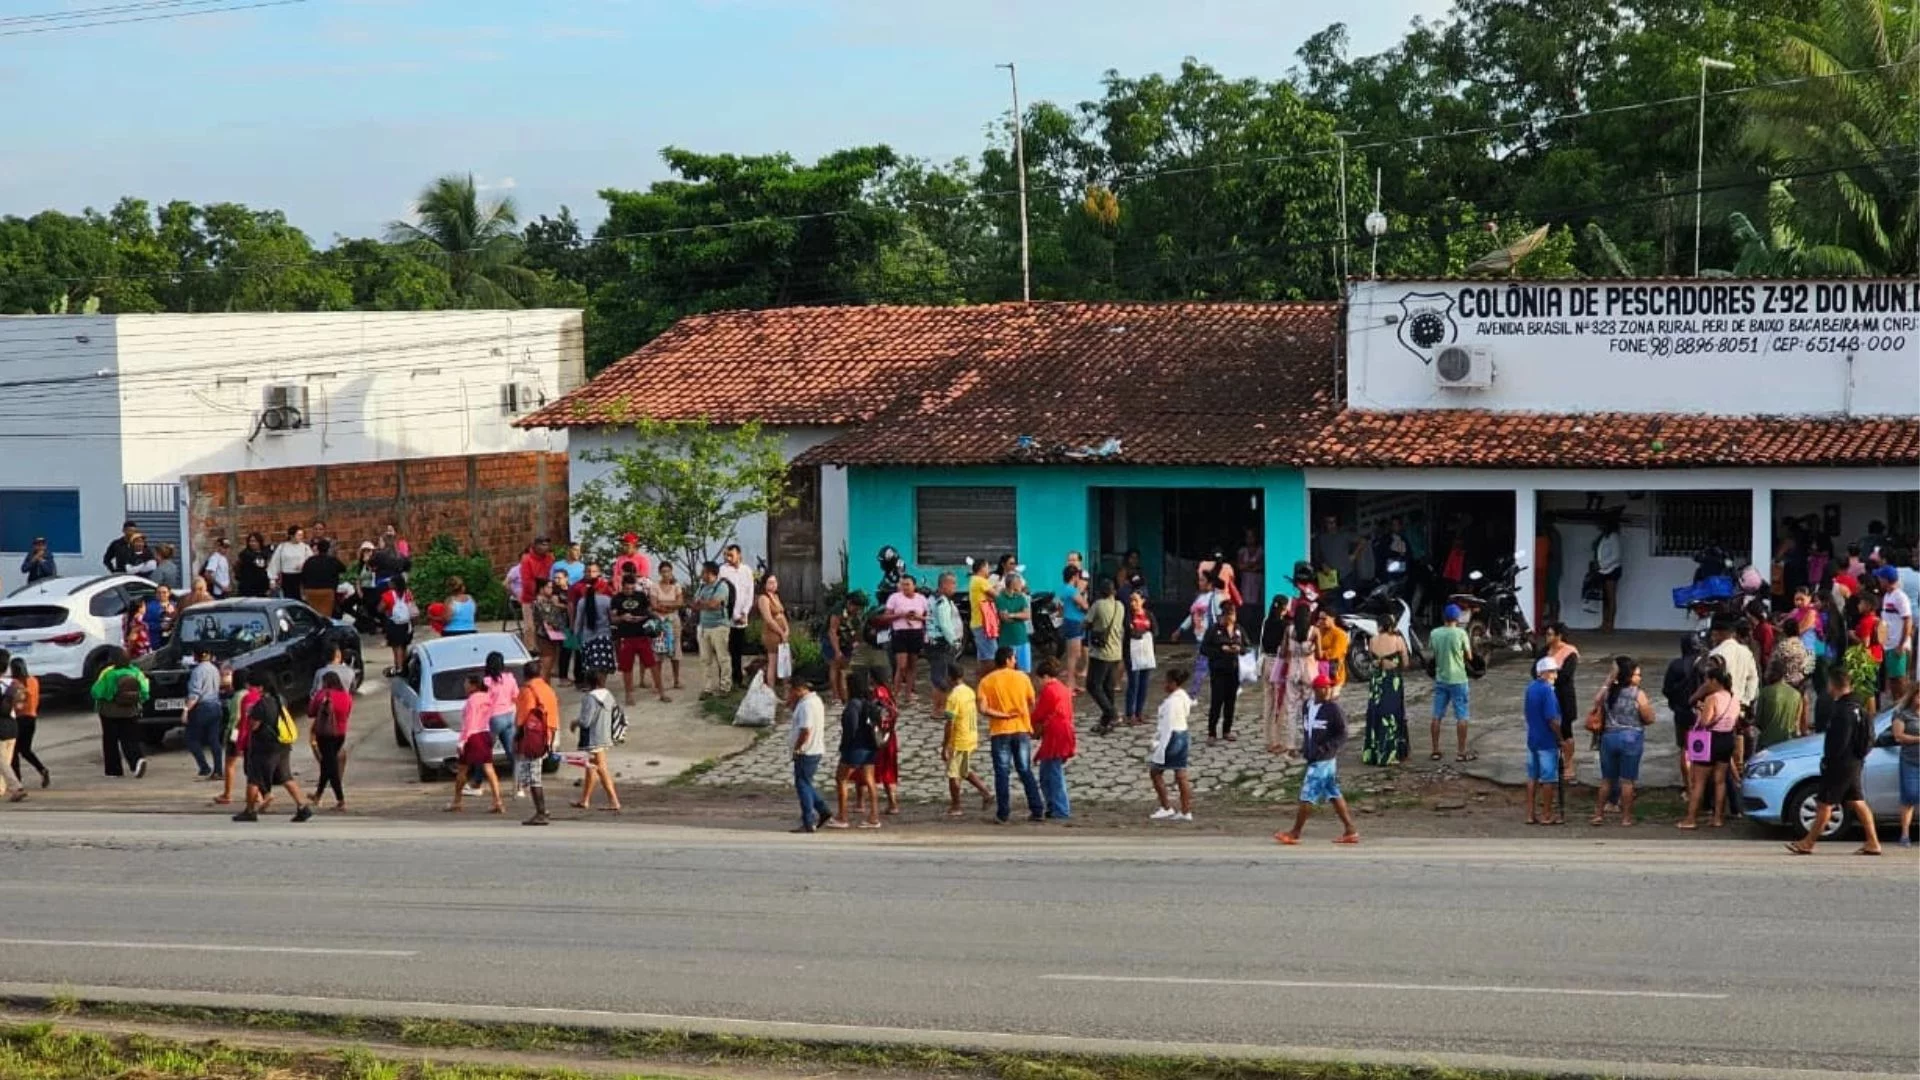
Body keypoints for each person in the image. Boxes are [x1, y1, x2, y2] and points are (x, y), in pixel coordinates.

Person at [1786, 667, 1883, 855]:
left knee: (1825, 803)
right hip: (1854, 762)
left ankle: (1808, 842)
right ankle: (1873, 841)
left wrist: (1828, 761)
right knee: (1857, 801)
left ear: (1833, 685)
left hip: (1840, 764)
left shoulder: (1842, 711)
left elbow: (1839, 742)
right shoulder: (1859, 708)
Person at [1275, 675, 1359, 846]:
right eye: (1323, 687)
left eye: (1329, 687)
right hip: (1316, 758)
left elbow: (1343, 734)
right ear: (1315, 690)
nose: (1327, 690)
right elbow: (1309, 732)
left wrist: (1327, 747)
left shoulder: (1333, 709)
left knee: (1307, 796)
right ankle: (1350, 830)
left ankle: (1295, 832)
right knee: (1333, 793)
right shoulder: (1307, 706)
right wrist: (1303, 749)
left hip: (1323, 760)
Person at [233, 674, 313, 823]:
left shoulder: (260, 705)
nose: (249, 688)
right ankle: (303, 806)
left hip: (265, 747)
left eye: (252, 686)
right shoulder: (278, 701)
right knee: (286, 777)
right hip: (282, 745)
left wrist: (249, 714)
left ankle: (250, 811)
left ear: (260, 688)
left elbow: (254, 726)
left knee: (253, 779)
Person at [979, 646, 1043, 824]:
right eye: (1014, 658)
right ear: (1007, 659)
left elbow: (983, 709)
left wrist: (1002, 715)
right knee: (1024, 770)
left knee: (1002, 773)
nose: (1015, 660)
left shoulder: (986, 682)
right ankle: (1037, 808)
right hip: (1021, 729)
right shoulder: (1022, 678)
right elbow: (1032, 702)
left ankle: (1003, 813)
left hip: (1000, 731)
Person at [1590, 655, 1655, 826]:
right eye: (1637, 675)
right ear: (1629, 676)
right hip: (1631, 738)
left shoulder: (1609, 692)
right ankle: (1626, 817)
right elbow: (1648, 718)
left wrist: (1609, 679)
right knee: (1627, 781)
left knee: (1606, 780)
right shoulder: (1638, 694)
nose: (1640, 678)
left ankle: (1598, 814)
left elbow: (1596, 702)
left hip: (1609, 738)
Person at [1679, 666, 1740, 830]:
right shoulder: (1734, 697)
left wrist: (1700, 710)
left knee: (1699, 781)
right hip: (1727, 739)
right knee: (1720, 781)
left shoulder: (1712, 698)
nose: (1705, 683)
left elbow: (1705, 722)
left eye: (1707, 680)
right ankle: (1718, 817)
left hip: (1710, 740)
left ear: (1714, 681)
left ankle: (1691, 818)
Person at [829, 671, 881, 829]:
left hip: (854, 748)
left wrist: (844, 746)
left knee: (841, 779)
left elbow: (850, 729)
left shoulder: (853, 705)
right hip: (870, 746)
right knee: (870, 780)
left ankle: (842, 816)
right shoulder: (870, 703)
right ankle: (874, 815)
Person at [447, 673, 505, 814]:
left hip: (472, 735)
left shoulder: (472, 700)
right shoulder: (488, 697)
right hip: (484, 733)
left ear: (474, 685)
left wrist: (462, 741)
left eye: (467, 683)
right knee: (489, 768)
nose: (464, 686)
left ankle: (457, 801)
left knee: (462, 770)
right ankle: (498, 801)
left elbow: (469, 722)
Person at [89, 647, 148, 778]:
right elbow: (145, 692)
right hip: (131, 712)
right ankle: (136, 761)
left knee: (110, 741)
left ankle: (114, 770)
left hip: (109, 713)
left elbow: (96, 692)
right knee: (131, 739)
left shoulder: (108, 673)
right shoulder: (136, 672)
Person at [788, 675, 836, 833]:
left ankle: (809, 820)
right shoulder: (813, 701)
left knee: (802, 785)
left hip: (806, 750)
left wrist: (797, 748)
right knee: (806, 783)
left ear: (798, 689)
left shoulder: (807, 705)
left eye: (791, 690)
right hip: (814, 748)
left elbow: (805, 730)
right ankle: (823, 810)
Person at [1270, 598, 1317, 758]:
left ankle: (1291, 746)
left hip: (1293, 671)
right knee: (1309, 708)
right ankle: (1308, 743)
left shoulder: (1289, 630)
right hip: (1309, 673)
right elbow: (1321, 654)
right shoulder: (1314, 631)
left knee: (1291, 709)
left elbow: (1283, 652)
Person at [941, 668, 991, 816]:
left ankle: (956, 805)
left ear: (950, 678)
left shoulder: (953, 697)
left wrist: (945, 745)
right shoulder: (969, 691)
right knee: (963, 769)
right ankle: (985, 793)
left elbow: (949, 723)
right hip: (971, 734)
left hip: (960, 738)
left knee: (953, 774)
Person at [514, 661, 559, 826]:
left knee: (534, 777)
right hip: (549, 733)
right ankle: (541, 810)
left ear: (525, 675)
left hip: (534, 736)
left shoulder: (527, 690)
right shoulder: (547, 689)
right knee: (535, 774)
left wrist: (518, 736)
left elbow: (523, 717)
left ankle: (541, 812)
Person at [1429, 604, 1475, 762]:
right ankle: (1461, 752)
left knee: (1437, 715)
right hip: (1459, 679)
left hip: (1441, 678)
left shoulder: (1434, 633)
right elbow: (1469, 656)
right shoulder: (1461, 634)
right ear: (1457, 618)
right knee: (1461, 716)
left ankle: (1435, 750)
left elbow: (1433, 652)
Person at [1032, 656, 1076, 820]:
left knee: (1053, 773)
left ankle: (1060, 808)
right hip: (1064, 732)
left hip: (1055, 735)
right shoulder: (1063, 688)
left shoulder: (1049, 690)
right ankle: (1053, 806)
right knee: (1048, 772)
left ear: (1044, 676)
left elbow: (1039, 714)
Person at [1148, 667, 1195, 821]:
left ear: (1174, 683)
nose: (1164, 685)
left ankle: (1166, 807)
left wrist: (1159, 746)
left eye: (1167, 682)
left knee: (1155, 772)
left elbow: (1166, 728)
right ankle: (1186, 810)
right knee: (1181, 774)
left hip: (1172, 737)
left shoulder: (1171, 703)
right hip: (1183, 734)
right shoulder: (1183, 697)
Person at [1361, 621, 1410, 766]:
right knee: (1392, 713)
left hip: (1377, 681)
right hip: (1392, 680)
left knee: (1376, 712)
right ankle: (1392, 752)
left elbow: (1372, 659)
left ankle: (1374, 752)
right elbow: (1405, 663)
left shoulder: (1373, 640)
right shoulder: (1398, 640)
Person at [570, 671, 621, 813]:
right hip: (604, 736)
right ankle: (585, 799)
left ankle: (613, 800)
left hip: (592, 738)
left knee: (600, 768)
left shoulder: (590, 698)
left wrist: (575, 722)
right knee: (591, 767)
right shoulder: (608, 695)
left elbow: (586, 721)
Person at [1523, 657, 1565, 825]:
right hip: (1547, 740)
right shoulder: (1547, 691)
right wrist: (1560, 738)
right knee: (1548, 778)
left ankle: (1530, 814)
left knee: (1532, 777)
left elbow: (1527, 712)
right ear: (1543, 673)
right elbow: (1552, 719)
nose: (1555, 675)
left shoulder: (1530, 688)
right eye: (1552, 671)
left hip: (1533, 737)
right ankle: (1547, 814)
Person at [612, 572, 663, 707]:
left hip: (642, 634)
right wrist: (623, 618)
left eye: (632, 588)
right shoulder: (616, 599)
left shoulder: (640, 596)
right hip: (626, 636)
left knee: (652, 664)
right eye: (627, 589)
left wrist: (655, 618)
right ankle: (629, 694)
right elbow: (612, 618)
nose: (630, 591)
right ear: (622, 587)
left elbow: (648, 611)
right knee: (627, 668)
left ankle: (661, 691)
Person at [1200, 604, 1248, 741]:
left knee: (1230, 701)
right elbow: (1204, 649)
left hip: (1234, 670)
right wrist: (1221, 649)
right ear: (1223, 615)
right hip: (1218, 670)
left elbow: (1247, 646)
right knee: (1217, 701)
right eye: (1229, 616)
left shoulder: (1238, 629)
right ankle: (1212, 732)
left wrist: (1239, 648)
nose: (1231, 619)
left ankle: (1227, 730)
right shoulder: (1214, 630)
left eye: (1233, 615)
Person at [1084, 578, 1125, 735]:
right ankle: (1106, 722)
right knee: (1108, 687)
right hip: (1116, 651)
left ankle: (1112, 713)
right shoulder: (1120, 606)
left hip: (1100, 653)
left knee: (1093, 685)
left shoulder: (1098, 605)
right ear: (1114, 591)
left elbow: (1086, 623)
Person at [1541, 622, 1581, 785]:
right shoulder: (1545, 651)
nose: (1547, 637)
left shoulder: (1570, 653)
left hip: (1563, 696)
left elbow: (1565, 676)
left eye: (1550, 634)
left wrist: (1548, 676)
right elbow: (1534, 669)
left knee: (1566, 730)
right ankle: (1552, 764)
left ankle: (1568, 764)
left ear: (1559, 636)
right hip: (1547, 695)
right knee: (1549, 728)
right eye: (1547, 634)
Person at [307, 670, 352, 812]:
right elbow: (348, 712)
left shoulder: (322, 695)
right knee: (327, 765)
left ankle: (341, 800)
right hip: (340, 734)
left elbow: (310, 712)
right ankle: (318, 795)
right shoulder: (346, 696)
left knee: (331, 767)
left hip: (325, 734)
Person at [1663, 636, 1704, 786]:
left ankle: (1688, 787)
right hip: (1700, 712)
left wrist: (1675, 703)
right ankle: (1699, 785)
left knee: (1685, 749)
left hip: (1681, 712)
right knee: (1700, 750)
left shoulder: (1675, 665)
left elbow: (1666, 689)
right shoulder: (1704, 665)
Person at [181, 644, 225, 780]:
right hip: (216, 706)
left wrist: (186, 710)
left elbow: (195, 694)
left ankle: (204, 767)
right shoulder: (214, 669)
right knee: (214, 740)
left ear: (195, 656)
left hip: (202, 708)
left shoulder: (197, 672)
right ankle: (218, 770)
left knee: (191, 739)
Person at [881, 573, 926, 705]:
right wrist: (901, 615)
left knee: (912, 665)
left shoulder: (921, 599)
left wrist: (918, 618)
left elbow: (928, 618)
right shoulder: (895, 598)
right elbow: (885, 617)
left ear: (914, 586)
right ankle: (895, 693)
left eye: (908, 584)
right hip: (900, 633)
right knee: (901, 666)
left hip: (916, 632)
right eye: (903, 584)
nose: (905, 587)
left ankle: (908, 694)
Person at [926, 572, 965, 720]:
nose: (955, 587)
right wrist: (954, 642)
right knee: (940, 678)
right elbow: (945, 625)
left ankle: (941, 707)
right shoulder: (941, 602)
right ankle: (938, 710)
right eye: (952, 583)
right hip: (941, 644)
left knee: (942, 676)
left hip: (936, 643)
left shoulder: (935, 598)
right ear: (943, 585)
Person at [1755, 650, 1811, 750]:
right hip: (1789, 743)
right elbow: (1797, 723)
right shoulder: (1796, 695)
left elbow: (1758, 721)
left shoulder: (1765, 692)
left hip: (1767, 744)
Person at [692, 561, 733, 696]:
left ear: (710, 573)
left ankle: (725, 686)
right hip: (704, 627)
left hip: (719, 626)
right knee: (705, 659)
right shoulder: (702, 587)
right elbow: (695, 605)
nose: (701, 575)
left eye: (703, 572)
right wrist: (706, 604)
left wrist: (703, 604)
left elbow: (714, 604)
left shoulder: (722, 586)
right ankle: (707, 688)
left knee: (723, 658)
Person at [481, 651, 519, 794]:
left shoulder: (487, 682)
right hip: (510, 715)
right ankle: (518, 786)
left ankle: (477, 782)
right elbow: (516, 696)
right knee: (511, 752)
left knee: (484, 752)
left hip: (494, 718)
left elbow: (484, 702)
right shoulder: (509, 678)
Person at [7, 657, 47, 790]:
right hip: (32, 718)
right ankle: (41, 769)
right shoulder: (33, 681)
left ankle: (17, 781)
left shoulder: (15, 684)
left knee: (14, 751)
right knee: (25, 750)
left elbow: (16, 704)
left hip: (19, 719)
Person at [719, 544, 754, 689]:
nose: (729, 558)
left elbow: (749, 593)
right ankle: (725, 680)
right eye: (727, 555)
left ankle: (738, 679)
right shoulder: (723, 571)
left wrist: (745, 612)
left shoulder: (746, 570)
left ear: (739, 555)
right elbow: (723, 595)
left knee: (738, 650)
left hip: (742, 617)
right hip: (727, 617)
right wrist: (733, 615)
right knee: (725, 650)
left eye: (731, 555)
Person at [1876, 565, 1913, 707]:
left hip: (1898, 644)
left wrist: (1901, 644)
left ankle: (1905, 707)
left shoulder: (1900, 597)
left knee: (1900, 679)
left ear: (1886, 579)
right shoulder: (1887, 596)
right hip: (1889, 643)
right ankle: (1896, 707)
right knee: (1892, 679)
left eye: (1880, 578)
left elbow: (1908, 620)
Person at [1123, 589, 1159, 728]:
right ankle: (1129, 713)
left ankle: (1139, 712)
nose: (1133, 603)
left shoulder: (1149, 615)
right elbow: (1129, 631)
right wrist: (1142, 632)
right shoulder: (1128, 615)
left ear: (1143, 601)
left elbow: (1155, 630)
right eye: (1131, 600)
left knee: (1144, 684)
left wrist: (1140, 631)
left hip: (1146, 653)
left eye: (1136, 600)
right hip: (1132, 654)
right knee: (1133, 683)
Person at [1891, 685, 1919, 848]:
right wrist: (1918, 739)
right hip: (1910, 761)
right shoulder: (1903, 714)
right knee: (1909, 796)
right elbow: (1898, 736)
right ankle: (1905, 834)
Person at [826, 591, 864, 704]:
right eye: (856, 607)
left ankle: (845, 695)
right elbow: (832, 632)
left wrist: (856, 643)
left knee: (845, 667)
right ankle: (835, 696)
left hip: (846, 638)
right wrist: (837, 651)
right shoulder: (837, 611)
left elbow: (857, 631)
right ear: (850, 604)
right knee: (835, 665)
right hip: (832, 639)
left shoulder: (857, 614)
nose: (857, 610)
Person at [757, 573, 792, 695]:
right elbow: (769, 619)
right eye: (770, 582)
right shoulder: (763, 598)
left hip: (782, 631)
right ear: (765, 584)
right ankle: (771, 690)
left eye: (775, 582)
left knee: (785, 661)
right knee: (773, 661)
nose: (773, 585)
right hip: (772, 633)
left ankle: (786, 688)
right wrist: (781, 632)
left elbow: (782, 615)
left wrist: (786, 630)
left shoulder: (776, 596)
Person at [652, 562, 684, 691]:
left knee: (675, 651)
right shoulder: (655, 586)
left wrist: (663, 604)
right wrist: (672, 604)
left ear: (671, 572)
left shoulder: (676, 586)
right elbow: (654, 604)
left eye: (668, 571)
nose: (666, 574)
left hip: (673, 620)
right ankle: (657, 682)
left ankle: (676, 680)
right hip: (659, 621)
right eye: (663, 571)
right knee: (658, 652)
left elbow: (680, 603)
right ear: (660, 572)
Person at [518, 537, 555, 647]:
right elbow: (527, 581)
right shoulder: (526, 559)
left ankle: (547, 647)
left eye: (547, 545)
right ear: (535, 545)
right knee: (530, 627)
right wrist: (537, 594)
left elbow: (551, 575)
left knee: (548, 624)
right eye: (542, 545)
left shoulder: (549, 558)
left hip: (547, 594)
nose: (545, 547)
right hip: (530, 597)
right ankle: (530, 649)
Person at [378, 574, 416, 677]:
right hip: (407, 624)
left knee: (396, 647)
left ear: (394, 584)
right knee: (403, 645)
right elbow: (412, 608)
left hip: (394, 624)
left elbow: (380, 608)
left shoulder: (388, 595)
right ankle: (404, 666)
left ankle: (399, 668)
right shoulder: (408, 593)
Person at [1059, 566, 1088, 695]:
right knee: (1073, 656)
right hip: (1074, 622)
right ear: (1074, 577)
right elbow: (1084, 605)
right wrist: (1081, 591)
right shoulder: (1072, 590)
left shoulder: (1064, 588)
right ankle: (1070, 685)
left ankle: (1073, 683)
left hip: (1071, 621)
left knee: (1075, 655)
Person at [995, 572, 1033, 673]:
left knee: (1024, 671)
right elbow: (1005, 618)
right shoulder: (1000, 599)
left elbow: (1027, 615)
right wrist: (1019, 615)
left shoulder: (1021, 597)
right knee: (1006, 671)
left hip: (1022, 639)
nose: (1022, 585)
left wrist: (1013, 615)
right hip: (1007, 641)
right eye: (1019, 582)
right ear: (1013, 584)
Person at [532, 578, 568, 681]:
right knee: (546, 665)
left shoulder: (547, 601)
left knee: (549, 664)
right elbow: (550, 619)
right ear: (541, 589)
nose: (551, 589)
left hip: (549, 635)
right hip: (545, 636)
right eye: (549, 587)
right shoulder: (541, 602)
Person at [1592, 515, 1623, 633]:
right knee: (1605, 599)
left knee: (1611, 598)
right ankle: (1604, 623)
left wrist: (1602, 565)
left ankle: (1610, 624)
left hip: (1612, 570)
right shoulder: (1604, 537)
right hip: (1604, 570)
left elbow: (1616, 556)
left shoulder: (1614, 537)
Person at [967, 558, 999, 676]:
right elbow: (997, 596)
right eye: (987, 567)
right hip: (983, 623)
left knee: (983, 658)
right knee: (992, 656)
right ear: (982, 568)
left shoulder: (974, 580)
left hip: (978, 622)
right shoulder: (981, 581)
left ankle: (981, 683)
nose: (988, 570)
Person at [0, 656, 22, 803]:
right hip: (13, 725)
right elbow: (20, 705)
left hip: (0, 726)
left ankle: (15, 786)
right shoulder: (14, 684)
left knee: (2, 762)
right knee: (5, 761)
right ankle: (3, 790)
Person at [1313, 605, 1349, 696]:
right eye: (1320, 618)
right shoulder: (1319, 631)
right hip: (1319, 674)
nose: (1321, 621)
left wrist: (1319, 653)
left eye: (1324, 619)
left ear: (1332, 618)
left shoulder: (1340, 634)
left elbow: (1334, 653)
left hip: (1334, 674)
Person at [270, 525, 310, 601]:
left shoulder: (305, 547)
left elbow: (310, 561)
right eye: (299, 535)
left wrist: (304, 565)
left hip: (300, 578)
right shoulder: (282, 547)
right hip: (287, 578)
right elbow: (275, 562)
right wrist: (272, 579)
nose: (301, 537)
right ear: (292, 535)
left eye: (302, 535)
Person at [610, 534, 651, 598]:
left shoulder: (642, 559)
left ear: (634, 546)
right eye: (623, 545)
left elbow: (644, 576)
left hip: (637, 591)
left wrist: (628, 575)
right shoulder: (620, 559)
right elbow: (615, 576)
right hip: (621, 591)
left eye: (627, 545)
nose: (624, 547)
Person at [236, 532, 271, 598]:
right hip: (248, 588)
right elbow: (237, 568)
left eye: (255, 541)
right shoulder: (245, 554)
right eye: (250, 541)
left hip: (262, 587)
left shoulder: (265, 553)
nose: (252, 543)